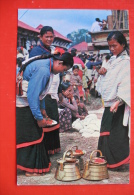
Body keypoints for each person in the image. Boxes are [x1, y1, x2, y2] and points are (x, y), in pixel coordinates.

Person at [16, 51, 73, 176]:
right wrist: (38, 117)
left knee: (34, 134)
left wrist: (42, 109)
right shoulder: (44, 70)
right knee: (33, 136)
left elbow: (41, 92)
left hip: (28, 103)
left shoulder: (48, 66)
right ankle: (29, 168)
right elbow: (32, 95)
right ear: (60, 62)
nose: (61, 72)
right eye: (63, 69)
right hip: (23, 104)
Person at [97, 31, 130, 171]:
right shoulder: (111, 61)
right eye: (109, 46)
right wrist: (102, 73)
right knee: (105, 129)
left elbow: (127, 83)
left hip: (118, 103)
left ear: (123, 44)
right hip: (109, 103)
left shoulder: (126, 62)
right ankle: (106, 159)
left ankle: (117, 161)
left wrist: (119, 100)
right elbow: (106, 82)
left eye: (114, 46)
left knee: (116, 132)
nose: (111, 49)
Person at [29, 26, 63, 155]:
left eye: (51, 36)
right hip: (41, 89)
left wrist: (59, 90)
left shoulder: (53, 50)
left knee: (53, 117)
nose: (49, 39)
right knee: (44, 119)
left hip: (53, 89)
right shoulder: (35, 51)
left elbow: (57, 72)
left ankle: (53, 147)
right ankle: (44, 149)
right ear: (41, 37)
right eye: (46, 37)